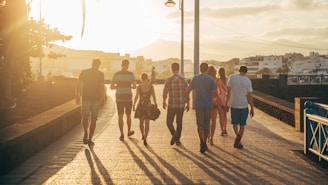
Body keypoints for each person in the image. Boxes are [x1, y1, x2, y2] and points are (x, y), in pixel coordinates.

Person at [185, 63, 219, 153]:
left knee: (200, 124)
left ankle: (202, 142)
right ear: (207, 69)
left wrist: (187, 101)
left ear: (200, 69)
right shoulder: (211, 79)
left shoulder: (195, 79)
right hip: (208, 104)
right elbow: (215, 93)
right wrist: (216, 102)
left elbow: (187, 90)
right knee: (207, 124)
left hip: (198, 105)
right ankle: (205, 143)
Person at [75, 58, 105, 145]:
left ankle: (85, 132)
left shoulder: (84, 72)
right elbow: (102, 87)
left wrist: (77, 95)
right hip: (96, 99)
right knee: (94, 119)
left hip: (85, 98)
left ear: (92, 64)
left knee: (84, 117)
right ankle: (90, 138)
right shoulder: (100, 74)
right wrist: (102, 99)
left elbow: (78, 84)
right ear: (99, 65)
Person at [225, 66, 254, 149]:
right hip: (244, 104)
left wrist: (227, 103)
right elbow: (250, 96)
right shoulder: (248, 81)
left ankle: (238, 138)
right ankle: (238, 140)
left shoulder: (232, 77)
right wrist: (252, 108)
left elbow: (228, 92)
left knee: (234, 123)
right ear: (246, 72)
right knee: (242, 125)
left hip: (234, 104)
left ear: (239, 70)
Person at [163, 63, 190, 146]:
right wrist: (188, 103)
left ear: (172, 69)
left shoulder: (169, 80)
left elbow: (165, 92)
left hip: (172, 104)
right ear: (179, 69)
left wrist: (164, 101)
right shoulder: (184, 79)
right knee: (179, 122)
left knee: (169, 122)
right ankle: (177, 139)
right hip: (181, 105)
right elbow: (187, 93)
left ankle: (174, 134)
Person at [110, 59, 137, 141]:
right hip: (128, 97)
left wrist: (118, 86)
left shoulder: (116, 74)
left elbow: (111, 87)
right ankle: (129, 131)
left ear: (121, 65)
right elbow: (134, 86)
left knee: (120, 116)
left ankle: (121, 134)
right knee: (128, 115)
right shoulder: (131, 74)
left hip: (119, 97)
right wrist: (129, 86)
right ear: (128, 65)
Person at [133, 73, 157, 146]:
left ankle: (143, 135)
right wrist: (155, 104)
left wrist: (133, 105)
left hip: (141, 105)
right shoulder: (151, 86)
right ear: (147, 78)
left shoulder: (139, 87)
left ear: (141, 79)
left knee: (141, 123)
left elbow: (136, 96)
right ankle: (145, 138)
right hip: (148, 106)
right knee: (147, 123)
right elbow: (153, 96)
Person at [206, 66, 219, 145]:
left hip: (207, 101)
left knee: (207, 120)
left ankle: (208, 135)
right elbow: (217, 92)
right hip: (214, 102)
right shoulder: (217, 80)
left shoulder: (206, 80)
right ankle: (211, 138)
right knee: (213, 120)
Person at [217, 67, 228, 136]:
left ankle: (222, 130)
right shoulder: (228, 80)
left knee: (221, 115)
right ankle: (225, 128)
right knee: (225, 115)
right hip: (226, 98)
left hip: (220, 98)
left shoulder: (217, 80)